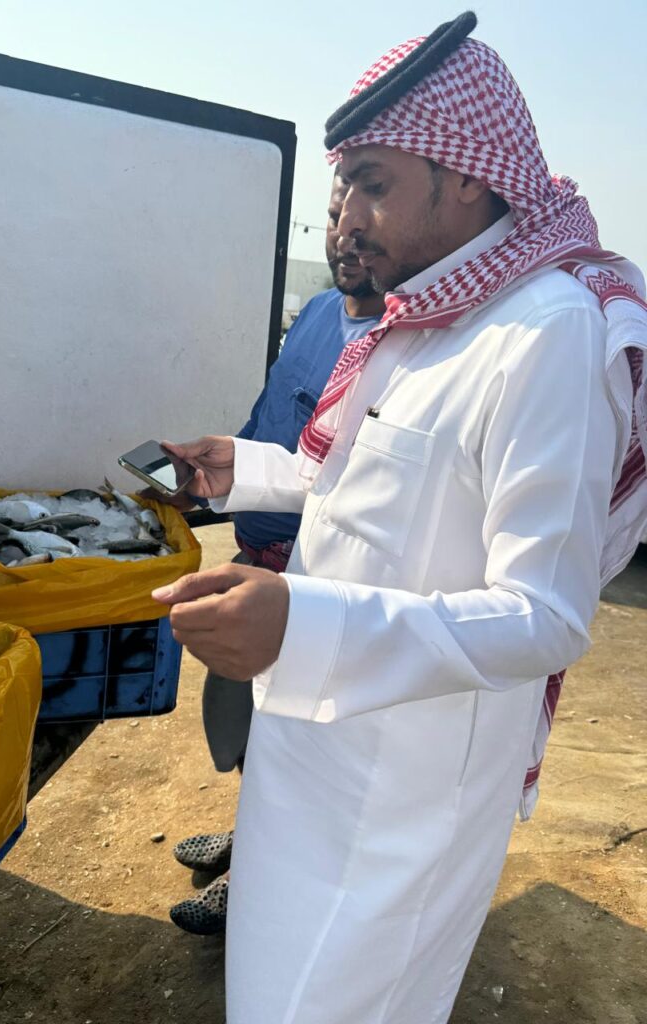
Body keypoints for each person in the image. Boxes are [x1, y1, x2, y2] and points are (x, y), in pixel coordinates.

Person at [153, 11, 647, 1023]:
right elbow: (363, 480)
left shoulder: (544, 335)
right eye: (343, 187)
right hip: (307, 750)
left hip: (401, 797)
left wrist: (300, 624)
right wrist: (244, 471)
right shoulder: (428, 312)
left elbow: (546, 616)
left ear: (465, 174)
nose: (347, 217)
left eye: (372, 183)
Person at [168, 175, 385, 935]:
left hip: (318, 587)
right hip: (255, 561)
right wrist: (211, 482)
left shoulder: (403, 346)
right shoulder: (320, 314)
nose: (345, 235)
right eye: (331, 217)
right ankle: (253, 833)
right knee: (248, 722)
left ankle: (263, 881)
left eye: (365, 214)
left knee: (301, 743)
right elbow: (268, 428)